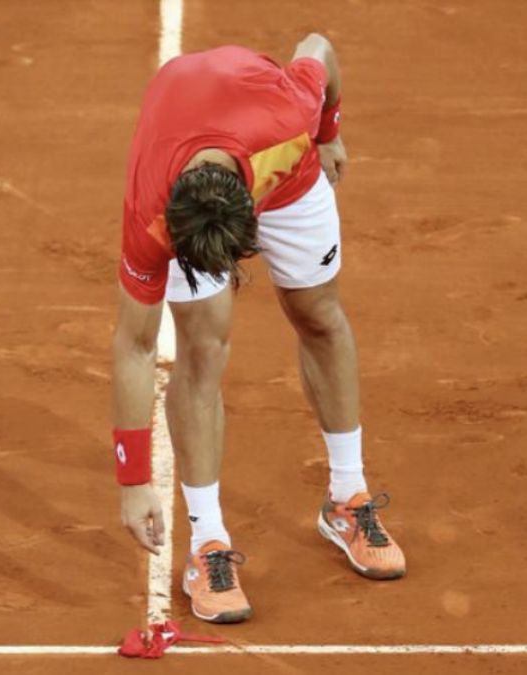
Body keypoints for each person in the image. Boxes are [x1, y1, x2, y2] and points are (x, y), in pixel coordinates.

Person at [111, 33, 406, 625]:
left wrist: (327, 133)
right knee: (201, 345)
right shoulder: (151, 213)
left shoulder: (287, 111)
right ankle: (207, 542)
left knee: (319, 315)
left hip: (285, 170)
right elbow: (136, 345)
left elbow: (320, 47)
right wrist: (133, 481)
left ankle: (347, 498)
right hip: (194, 154)